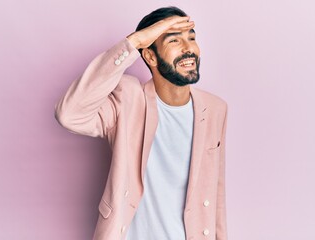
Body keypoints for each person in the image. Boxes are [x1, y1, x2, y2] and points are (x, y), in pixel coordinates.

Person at [55, 6, 228, 240]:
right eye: (174, 41)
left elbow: (215, 195)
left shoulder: (215, 108)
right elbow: (69, 114)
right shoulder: (128, 98)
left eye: (192, 38)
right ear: (150, 56)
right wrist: (134, 42)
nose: (189, 49)